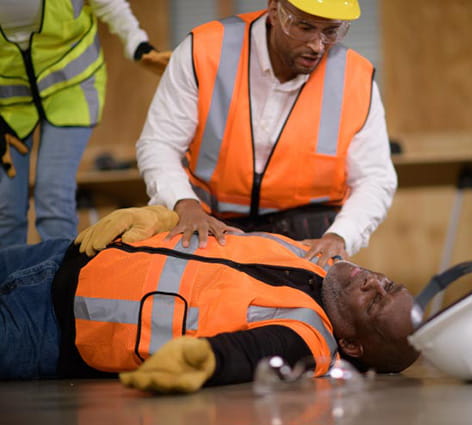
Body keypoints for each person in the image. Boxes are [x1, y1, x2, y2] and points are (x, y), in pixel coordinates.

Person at [0, 205, 419, 393]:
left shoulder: (308, 335)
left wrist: (205, 360)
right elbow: (221, 240)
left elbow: (247, 354)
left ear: (350, 344)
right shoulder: (310, 257)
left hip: (45, 329)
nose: (375, 283)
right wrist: (162, 217)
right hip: (59, 256)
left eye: (375, 304)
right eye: (390, 285)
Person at [136, 0, 397, 267]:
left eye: (330, 31)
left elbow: (375, 178)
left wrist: (340, 236)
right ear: (275, 11)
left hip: (309, 235)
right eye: (305, 27)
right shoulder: (203, 50)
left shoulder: (355, 78)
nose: (317, 45)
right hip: (210, 223)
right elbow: (160, 144)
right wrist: (183, 204)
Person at [0, 0, 172, 248]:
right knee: (6, 207)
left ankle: (57, 281)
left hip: (72, 89)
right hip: (9, 101)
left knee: (53, 197)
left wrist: (138, 44)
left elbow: (110, 5)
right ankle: (10, 284)